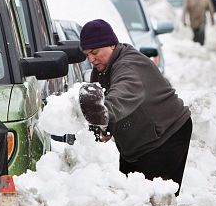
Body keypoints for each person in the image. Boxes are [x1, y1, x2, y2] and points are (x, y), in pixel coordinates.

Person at [77, 19, 193, 194]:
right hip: (138, 142)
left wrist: (102, 112)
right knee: (129, 196)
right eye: (87, 55)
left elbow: (121, 95)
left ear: (111, 45)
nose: (91, 59)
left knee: (154, 200)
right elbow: (104, 103)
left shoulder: (128, 66)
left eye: (95, 52)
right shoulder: (101, 70)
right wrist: (105, 127)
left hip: (167, 136)